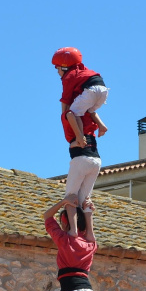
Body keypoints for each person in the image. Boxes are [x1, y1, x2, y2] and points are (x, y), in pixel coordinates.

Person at [52, 47, 107, 237]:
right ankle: (90, 233)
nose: (57, 72)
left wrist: (75, 132)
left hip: (81, 159)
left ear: (64, 67)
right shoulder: (87, 120)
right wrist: (100, 126)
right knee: (86, 199)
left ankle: (74, 231)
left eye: (58, 68)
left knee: (70, 197)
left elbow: (66, 104)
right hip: (96, 161)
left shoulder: (69, 78)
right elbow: (90, 110)